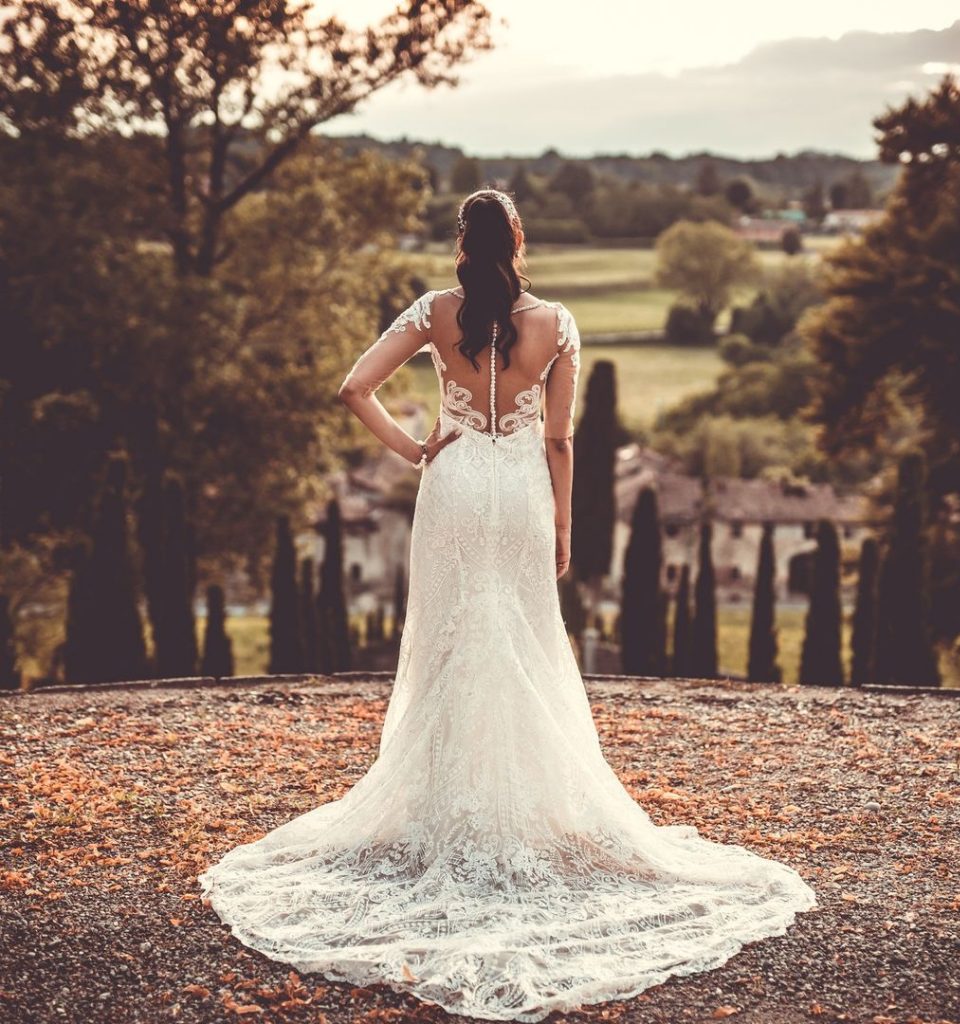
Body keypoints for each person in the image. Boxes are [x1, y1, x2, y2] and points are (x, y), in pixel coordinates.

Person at [198, 188, 818, 1022]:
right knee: (522, 640)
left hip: (453, 484)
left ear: (462, 241)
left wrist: (418, 448)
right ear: (519, 241)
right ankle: (523, 807)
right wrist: (563, 520)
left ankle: (442, 801)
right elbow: (561, 438)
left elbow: (354, 387)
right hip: (520, 487)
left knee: (454, 639)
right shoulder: (555, 325)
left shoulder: (433, 311)